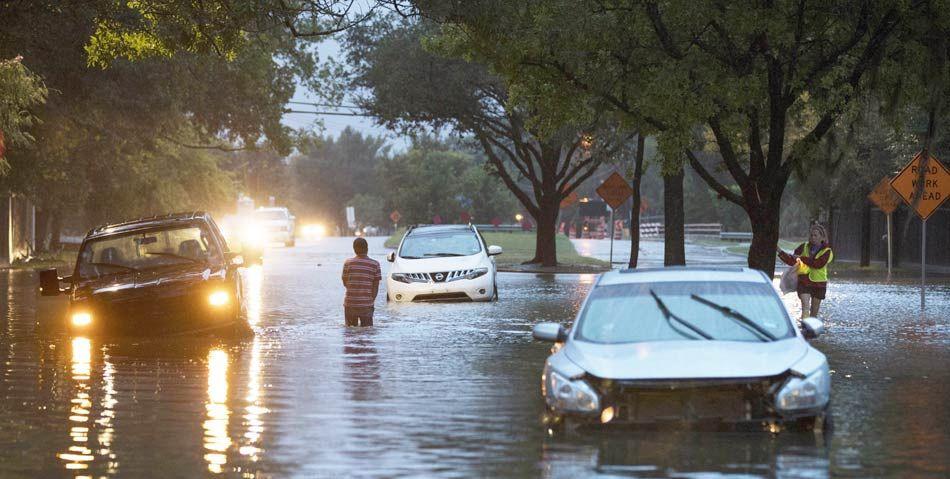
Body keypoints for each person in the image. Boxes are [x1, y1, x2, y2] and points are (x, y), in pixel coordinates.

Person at [778, 223, 834, 319]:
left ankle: (811, 327)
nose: (813, 237)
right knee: (805, 307)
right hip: (804, 282)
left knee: (814, 311)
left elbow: (817, 264)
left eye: (815, 235)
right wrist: (780, 252)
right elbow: (792, 261)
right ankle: (805, 326)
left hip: (819, 284)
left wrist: (802, 258)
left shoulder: (827, 251)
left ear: (822, 237)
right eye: (811, 235)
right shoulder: (803, 247)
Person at [341, 237, 381, 327]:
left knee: (350, 333)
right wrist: (370, 301)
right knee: (367, 332)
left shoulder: (348, 263)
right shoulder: (375, 264)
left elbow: (344, 282)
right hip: (366, 305)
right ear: (367, 249)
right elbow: (376, 286)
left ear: (354, 249)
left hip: (350, 303)